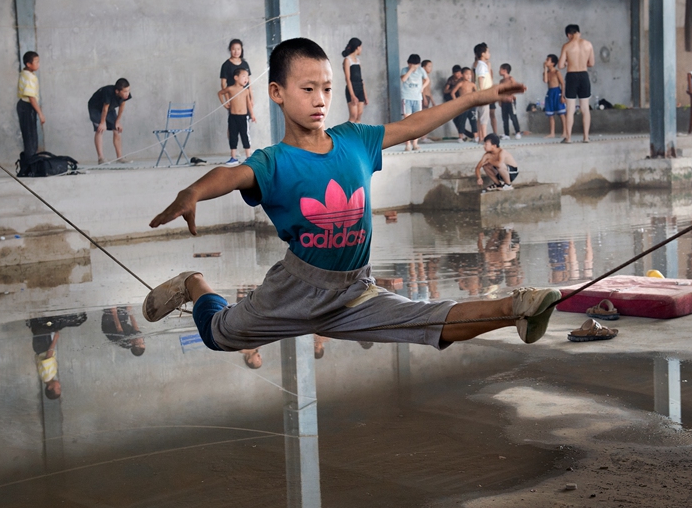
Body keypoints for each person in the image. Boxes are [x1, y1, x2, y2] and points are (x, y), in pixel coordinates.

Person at [141, 37, 560, 357]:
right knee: (218, 335)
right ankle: (194, 283)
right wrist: (193, 191)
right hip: (295, 289)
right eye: (307, 89)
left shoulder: (355, 140)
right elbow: (231, 176)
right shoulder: (275, 161)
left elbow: (414, 124)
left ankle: (517, 308)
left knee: (430, 321)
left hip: (354, 289)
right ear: (276, 93)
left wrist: (476, 98)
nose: (320, 99)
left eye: (325, 88)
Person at [558, 24, 595, 143]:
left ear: (569, 35)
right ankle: (586, 137)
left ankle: (568, 138)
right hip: (584, 75)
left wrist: (568, 63)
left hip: (572, 75)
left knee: (570, 109)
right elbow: (592, 63)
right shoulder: (588, 44)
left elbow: (560, 65)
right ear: (578, 32)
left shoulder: (567, 46)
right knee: (585, 108)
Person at [88, 78, 132, 164]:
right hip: (95, 108)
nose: (127, 93)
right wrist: (102, 122)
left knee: (117, 130)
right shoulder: (108, 92)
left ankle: (120, 158)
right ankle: (101, 158)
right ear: (117, 91)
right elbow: (105, 108)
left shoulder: (125, 95)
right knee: (100, 130)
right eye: (125, 91)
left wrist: (118, 121)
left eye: (128, 90)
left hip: (109, 108)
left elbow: (122, 106)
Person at [218, 67, 256, 165]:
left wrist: (252, 114)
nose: (246, 79)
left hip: (243, 117)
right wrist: (224, 103)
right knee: (233, 136)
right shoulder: (230, 89)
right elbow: (220, 93)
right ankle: (233, 157)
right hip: (233, 117)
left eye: (247, 77)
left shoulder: (246, 91)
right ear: (236, 77)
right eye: (244, 77)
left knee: (245, 136)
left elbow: (248, 104)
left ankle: (248, 157)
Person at [17, 51, 44, 159]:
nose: (38, 64)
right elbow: (31, 98)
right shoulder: (29, 77)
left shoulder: (25, 73)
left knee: (30, 135)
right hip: (27, 107)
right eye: (36, 62)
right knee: (30, 136)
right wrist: (40, 113)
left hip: (24, 106)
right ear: (28, 64)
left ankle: (31, 159)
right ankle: (31, 162)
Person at [400, 53, 429, 151]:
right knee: (407, 122)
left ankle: (415, 143)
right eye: (411, 64)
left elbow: (427, 80)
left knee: (417, 121)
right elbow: (403, 79)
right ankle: (407, 144)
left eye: (415, 65)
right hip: (407, 98)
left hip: (417, 98)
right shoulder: (404, 70)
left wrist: (422, 88)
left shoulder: (421, 70)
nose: (413, 66)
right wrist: (411, 70)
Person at [342, 38, 367, 124]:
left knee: (359, 114)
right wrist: (352, 95)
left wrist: (365, 95)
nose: (361, 49)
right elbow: (347, 78)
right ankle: (346, 135)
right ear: (357, 47)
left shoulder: (358, 61)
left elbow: (361, 79)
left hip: (360, 87)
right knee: (353, 115)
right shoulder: (347, 60)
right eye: (361, 47)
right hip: (351, 88)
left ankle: (357, 136)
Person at [542, 53, 566, 139]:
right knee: (550, 115)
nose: (546, 61)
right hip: (550, 93)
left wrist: (563, 96)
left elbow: (563, 84)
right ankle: (552, 133)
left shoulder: (557, 72)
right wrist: (545, 68)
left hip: (557, 92)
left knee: (561, 114)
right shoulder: (547, 73)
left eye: (548, 60)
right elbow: (545, 80)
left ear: (553, 63)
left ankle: (565, 132)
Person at [451, 68, 478, 141]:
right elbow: (452, 92)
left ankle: (476, 137)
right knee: (462, 121)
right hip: (463, 105)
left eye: (470, 74)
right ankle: (461, 137)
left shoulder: (472, 84)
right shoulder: (460, 83)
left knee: (473, 120)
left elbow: (477, 93)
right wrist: (456, 101)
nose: (469, 76)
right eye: (467, 74)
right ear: (462, 75)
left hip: (472, 105)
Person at [473, 43, 493, 141]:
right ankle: (484, 137)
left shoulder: (483, 65)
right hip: (483, 94)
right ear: (482, 53)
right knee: (484, 117)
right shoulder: (481, 65)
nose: (489, 54)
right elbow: (480, 79)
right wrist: (483, 92)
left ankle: (481, 137)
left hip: (484, 94)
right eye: (488, 52)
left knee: (482, 116)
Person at [498, 64, 522, 139]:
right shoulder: (501, 81)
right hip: (504, 101)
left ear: (504, 71)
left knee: (513, 116)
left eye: (500, 69)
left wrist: (511, 96)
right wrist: (499, 100)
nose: (499, 71)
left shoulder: (511, 79)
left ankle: (517, 132)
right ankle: (506, 134)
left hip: (510, 101)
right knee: (505, 118)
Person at [419, 59, 435, 143]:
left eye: (431, 66)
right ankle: (423, 137)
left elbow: (429, 91)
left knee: (426, 118)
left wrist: (432, 101)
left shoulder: (427, 78)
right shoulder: (422, 78)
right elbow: (422, 90)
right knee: (423, 118)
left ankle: (424, 136)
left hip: (427, 98)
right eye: (429, 66)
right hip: (423, 98)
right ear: (423, 67)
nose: (430, 68)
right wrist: (424, 98)